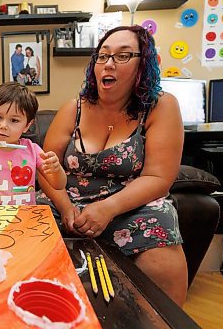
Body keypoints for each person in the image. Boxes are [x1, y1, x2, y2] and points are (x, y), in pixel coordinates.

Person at [36, 25, 187, 306]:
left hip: (128, 208)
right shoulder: (74, 108)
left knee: (162, 221)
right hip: (65, 205)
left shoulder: (161, 106)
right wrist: (67, 208)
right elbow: (44, 166)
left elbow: (158, 176)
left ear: (145, 64)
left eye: (122, 56)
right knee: (26, 222)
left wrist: (106, 208)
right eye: (103, 56)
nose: (108, 64)